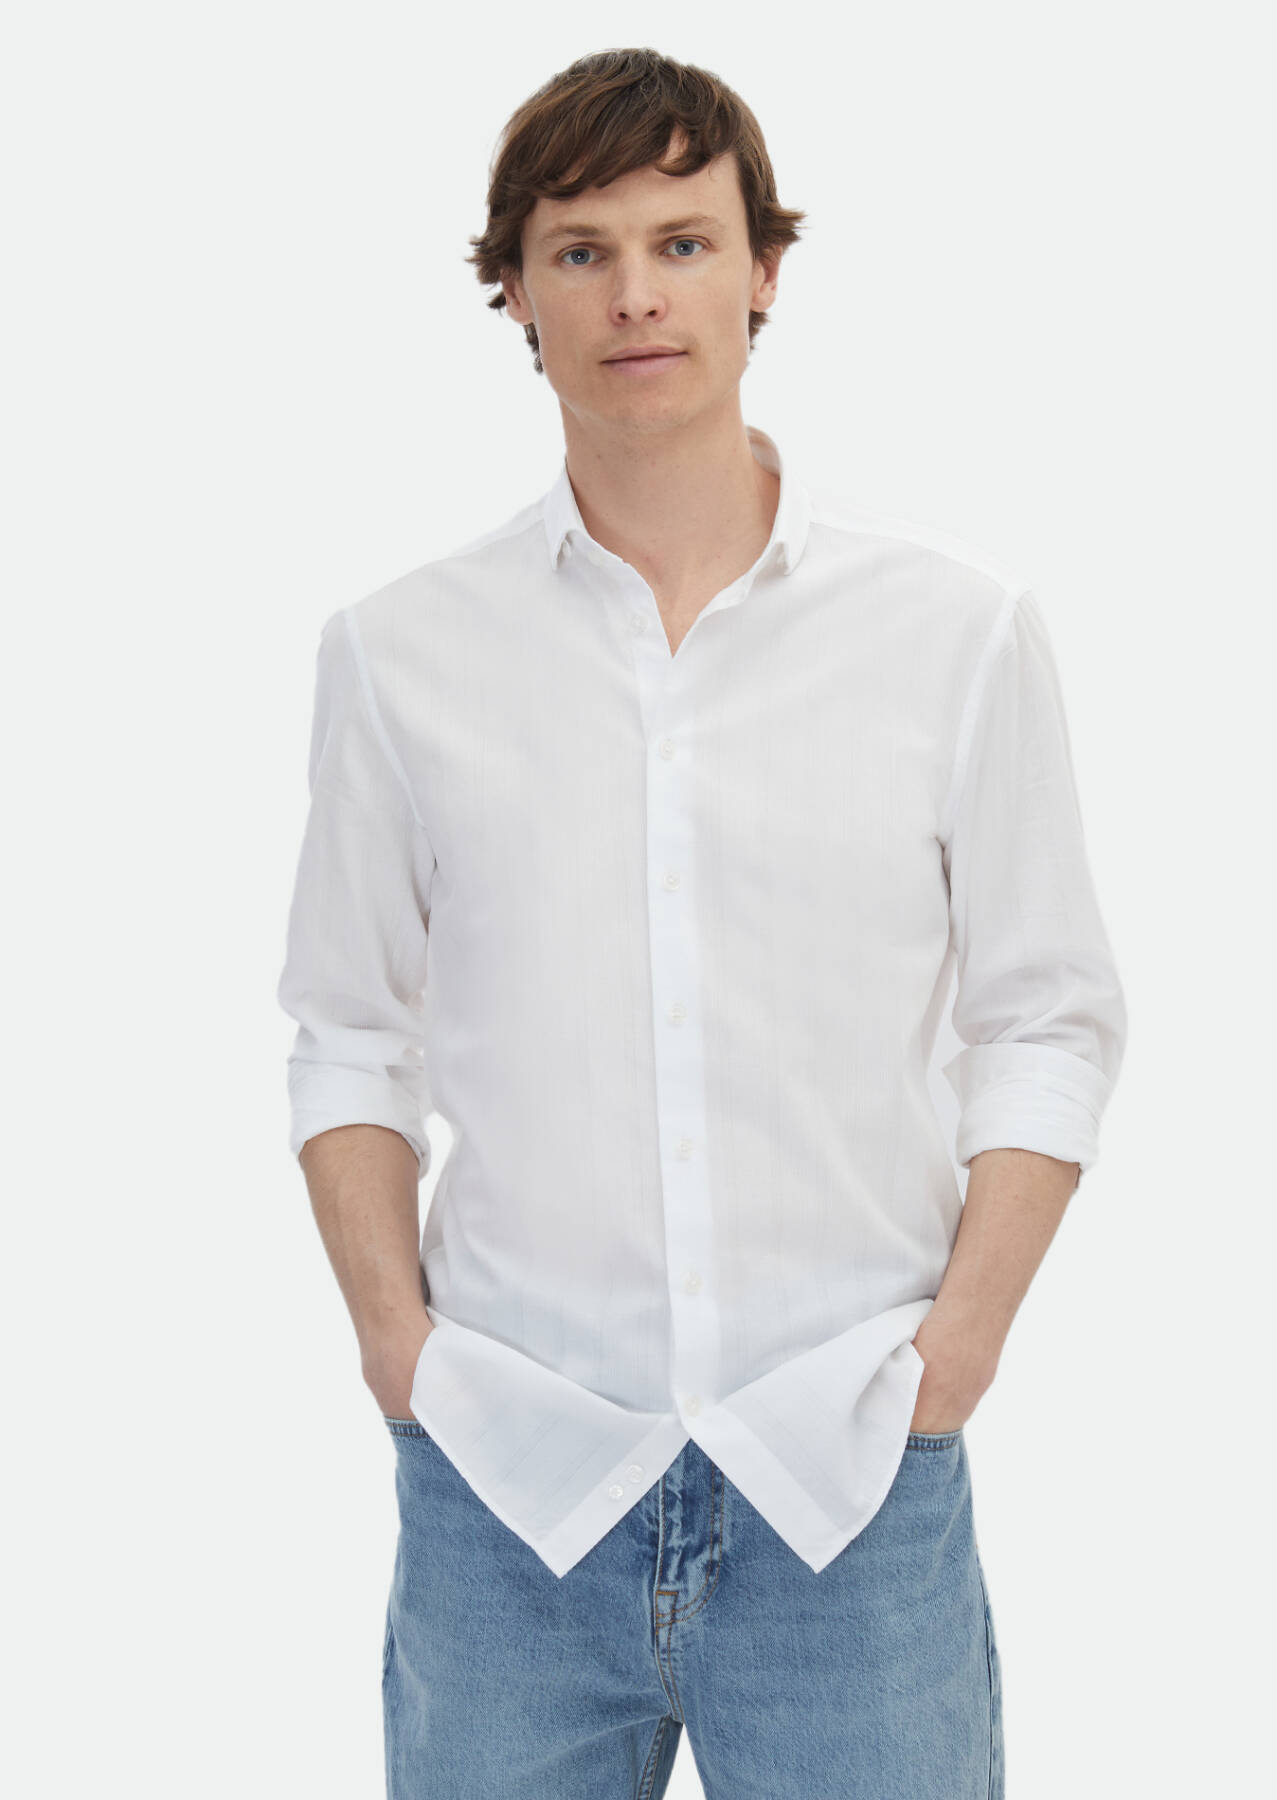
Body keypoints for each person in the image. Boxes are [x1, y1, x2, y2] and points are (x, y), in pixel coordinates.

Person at [276, 46, 1127, 1800]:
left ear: (763, 271)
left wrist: (957, 1346)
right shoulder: (399, 652)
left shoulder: (951, 633)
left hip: (849, 1480)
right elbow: (348, 1030)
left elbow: (1047, 1017)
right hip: (507, 1486)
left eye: (681, 241)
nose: (636, 295)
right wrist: (396, 1349)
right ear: (514, 292)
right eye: (580, 250)